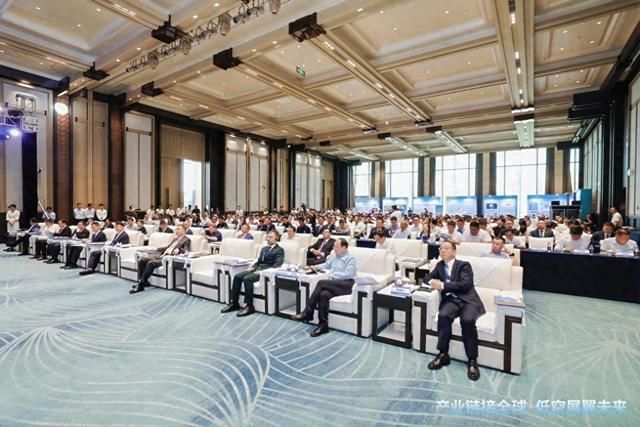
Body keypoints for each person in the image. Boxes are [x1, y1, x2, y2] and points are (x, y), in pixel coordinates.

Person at [423, 240, 485, 381]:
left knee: (467, 320)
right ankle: (443, 354)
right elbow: (427, 277)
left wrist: (443, 285)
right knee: (443, 316)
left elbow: (465, 284)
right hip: (451, 300)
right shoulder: (439, 265)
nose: (442, 250)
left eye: (446, 248)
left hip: (468, 300)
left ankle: (472, 360)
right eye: (440, 248)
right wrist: (433, 282)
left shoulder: (464, 265)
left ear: (454, 251)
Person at [292, 238, 357, 337]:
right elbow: (327, 265)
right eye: (334, 246)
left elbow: (349, 274)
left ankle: (308, 312)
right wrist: (316, 267)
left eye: (337, 247)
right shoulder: (334, 256)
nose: (334, 249)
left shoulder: (350, 259)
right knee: (324, 295)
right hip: (335, 284)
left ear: (344, 248)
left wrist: (334, 274)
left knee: (321, 283)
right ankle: (323, 325)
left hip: (346, 285)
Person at [221, 230, 285, 317]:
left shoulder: (279, 250)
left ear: (276, 238)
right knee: (237, 277)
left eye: (271, 237)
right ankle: (234, 303)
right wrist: (252, 267)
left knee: (247, 279)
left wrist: (262, 272)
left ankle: (249, 306)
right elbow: (259, 262)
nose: (268, 239)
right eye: (267, 237)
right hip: (256, 269)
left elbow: (277, 265)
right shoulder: (264, 248)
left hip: (265, 272)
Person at [130, 224, 191, 294]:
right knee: (142, 260)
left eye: (178, 229)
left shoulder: (186, 239)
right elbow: (167, 247)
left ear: (184, 230)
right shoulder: (175, 239)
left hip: (167, 259)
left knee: (151, 263)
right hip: (162, 256)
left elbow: (186, 250)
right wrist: (156, 248)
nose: (176, 230)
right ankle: (144, 281)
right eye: (176, 229)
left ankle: (140, 285)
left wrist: (179, 249)